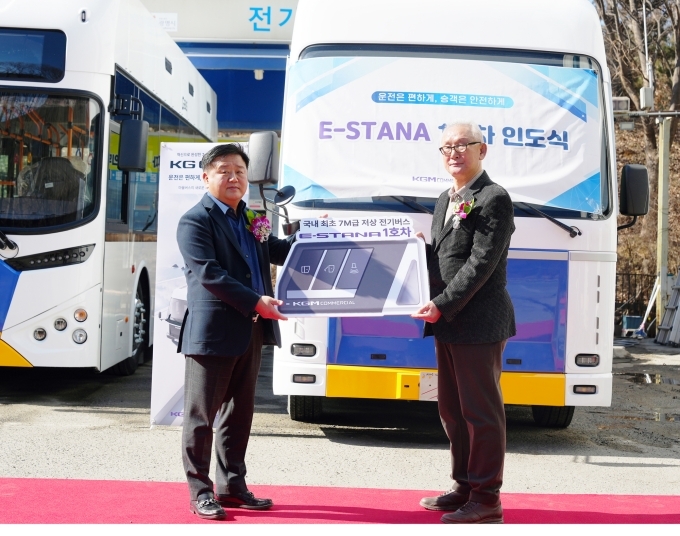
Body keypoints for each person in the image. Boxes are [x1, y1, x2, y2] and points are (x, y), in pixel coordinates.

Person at [176, 143, 293, 520]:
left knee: (238, 414)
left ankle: (232, 486)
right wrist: (256, 301)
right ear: (205, 177)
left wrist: (313, 235)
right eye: (224, 170)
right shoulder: (195, 220)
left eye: (240, 171)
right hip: (213, 333)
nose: (233, 177)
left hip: (251, 331)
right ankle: (200, 492)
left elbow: (275, 250)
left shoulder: (251, 216)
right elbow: (209, 274)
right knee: (202, 416)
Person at [412, 121, 516, 524]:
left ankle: (487, 499)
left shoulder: (493, 197)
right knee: (452, 411)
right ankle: (464, 486)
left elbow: (481, 264)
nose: (453, 153)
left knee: (481, 413)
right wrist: (408, 252)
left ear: (481, 150)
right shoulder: (445, 199)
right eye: (446, 147)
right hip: (449, 321)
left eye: (462, 145)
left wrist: (442, 303)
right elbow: (444, 258)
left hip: (479, 321)